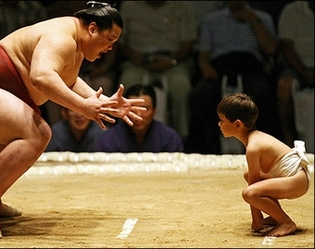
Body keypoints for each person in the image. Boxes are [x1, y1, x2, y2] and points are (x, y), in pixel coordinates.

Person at [0, 2, 146, 239]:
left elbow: (66, 80)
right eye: (110, 39)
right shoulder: (61, 37)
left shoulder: (73, 42)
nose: (111, 47)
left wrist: (103, 101)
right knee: (38, 133)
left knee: (15, 135)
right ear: (92, 28)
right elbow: (41, 77)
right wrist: (83, 107)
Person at [188, 1, 279, 154]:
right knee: (201, 95)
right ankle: (210, 149)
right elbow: (203, 55)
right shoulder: (211, 20)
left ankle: (259, 147)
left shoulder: (262, 18)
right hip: (219, 67)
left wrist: (253, 20)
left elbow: (271, 49)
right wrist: (206, 68)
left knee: (262, 93)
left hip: (250, 67)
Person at [217, 92, 310, 237]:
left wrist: (256, 219)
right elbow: (252, 179)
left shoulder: (253, 146)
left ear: (237, 124)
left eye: (222, 120)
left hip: (297, 181)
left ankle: (286, 222)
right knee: (248, 174)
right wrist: (257, 216)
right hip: (296, 177)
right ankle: (275, 216)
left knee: (249, 193)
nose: (219, 124)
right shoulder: (255, 138)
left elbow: (253, 187)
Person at [116, 1, 197, 140]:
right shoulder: (129, 5)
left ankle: (182, 138)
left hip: (172, 61)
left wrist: (171, 61)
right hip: (138, 61)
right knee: (126, 84)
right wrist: (134, 56)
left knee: (181, 87)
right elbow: (119, 40)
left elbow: (188, 43)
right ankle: (122, 137)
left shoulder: (181, 6)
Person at [94, 84, 184, 152]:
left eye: (145, 109)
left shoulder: (170, 138)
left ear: (154, 111)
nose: (138, 114)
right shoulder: (109, 140)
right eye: (132, 109)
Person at [276, 1, 314, 147]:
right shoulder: (292, 11)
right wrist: (304, 71)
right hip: (297, 67)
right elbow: (286, 46)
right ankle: (288, 138)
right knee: (285, 87)